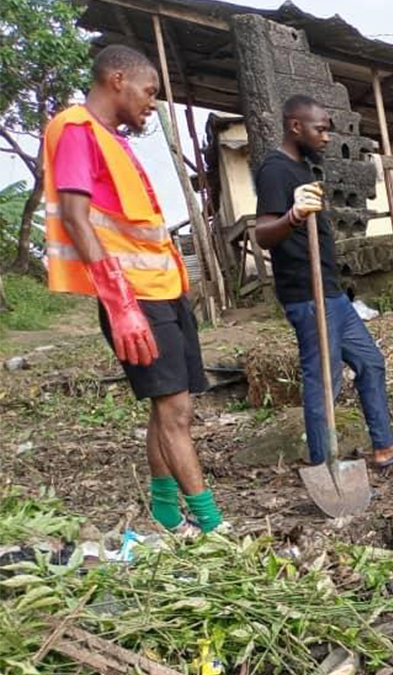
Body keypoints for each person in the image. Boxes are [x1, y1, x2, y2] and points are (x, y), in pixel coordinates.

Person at [43, 44, 224, 534]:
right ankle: (211, 526)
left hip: (162, 288)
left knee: (168, 403)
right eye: (149, 91)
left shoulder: (111, 139)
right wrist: (120, 304)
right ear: (117, 79)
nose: (152, 103)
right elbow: (78, 221)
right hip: (133, 296)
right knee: (176, 412)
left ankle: (165, 510)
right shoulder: (77, 130)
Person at [253, 94, 393, 468]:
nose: (326, 137)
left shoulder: (305, 168)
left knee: (370, 363)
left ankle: (384, 445)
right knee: (323, 380)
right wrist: (292, 215)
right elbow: (262, 235)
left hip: (332, 293)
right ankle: (324, 465)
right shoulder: (275, 170)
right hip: (307, 298)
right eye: (320, 129)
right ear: (295, 126)